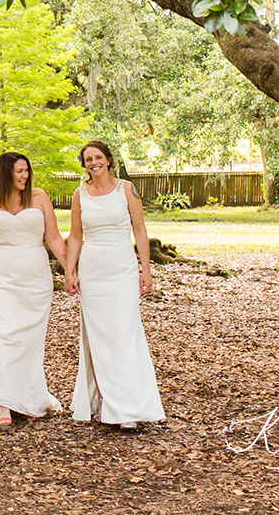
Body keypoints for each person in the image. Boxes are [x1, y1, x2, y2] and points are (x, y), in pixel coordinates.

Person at [0, 151, 71, 427]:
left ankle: (26, 395)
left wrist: (70, 269)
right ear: (5, 173)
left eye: (26, 170)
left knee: (27, 341)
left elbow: (54, 237)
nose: (25, 176)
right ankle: (4, 402)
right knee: (3, 335)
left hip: (35, 279)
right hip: (1, 277)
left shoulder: (40, 197)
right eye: (19, 171)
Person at [64, 140, 165, 429]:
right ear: (83, 164)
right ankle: (101, 401)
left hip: (122, 268)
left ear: (108, 160)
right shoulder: (79, 194)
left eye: (98, 157)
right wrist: (70, 271)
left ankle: (128, 407)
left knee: (124, 333)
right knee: (98, 338)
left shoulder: (126, 189)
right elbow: (75, 235)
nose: (93, 162)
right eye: (87, 159)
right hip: (93, 270)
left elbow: (140, 230)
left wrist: (145, 270)